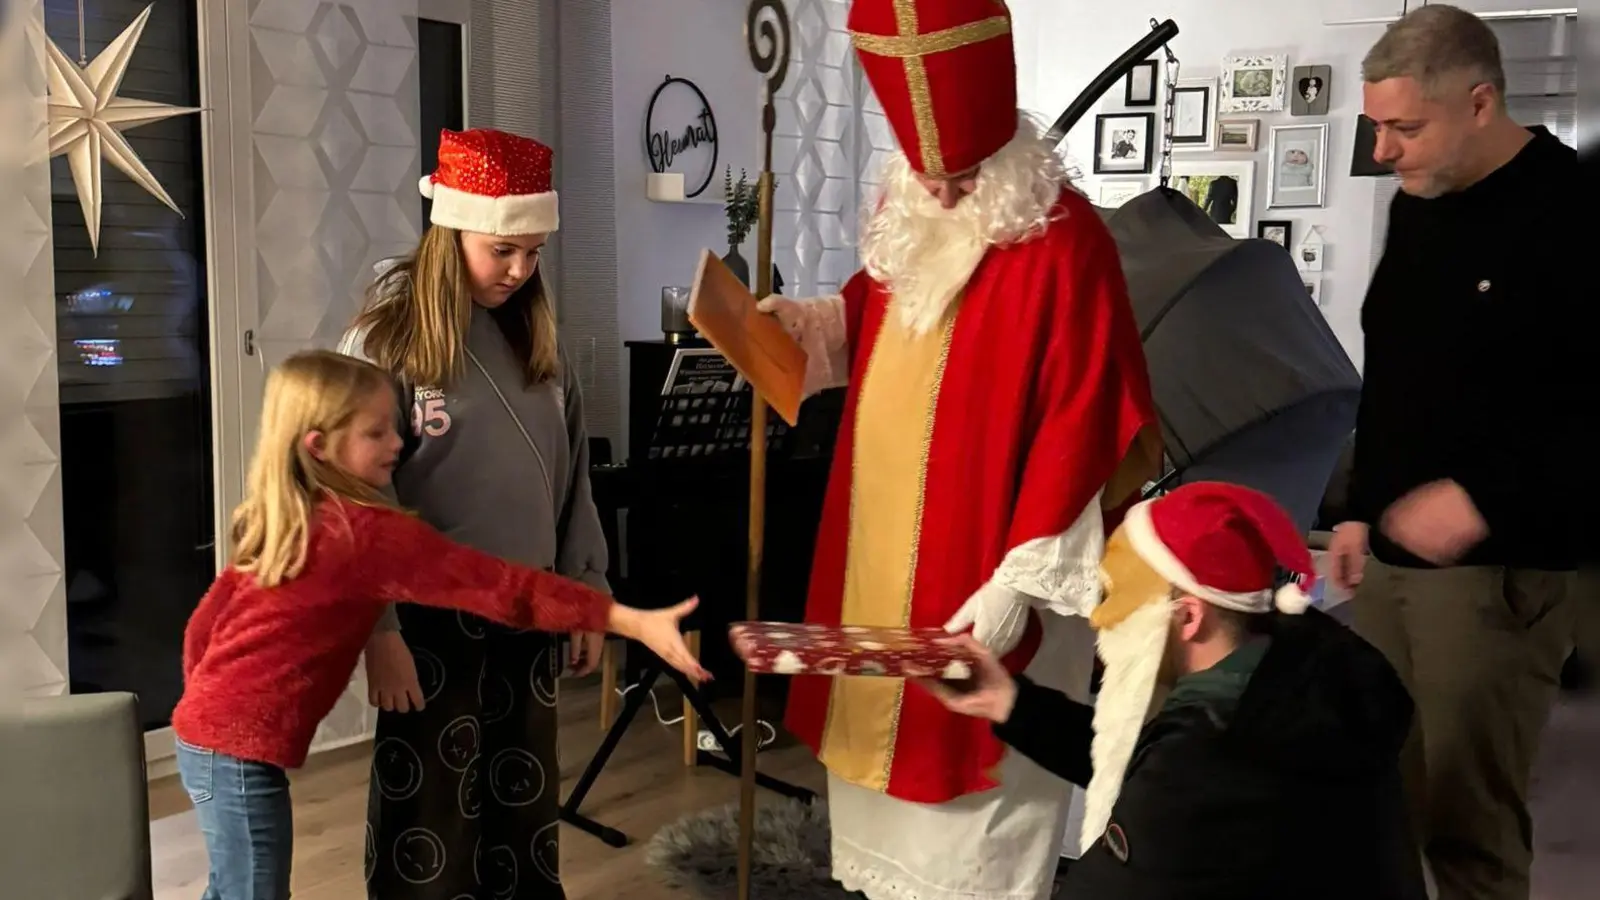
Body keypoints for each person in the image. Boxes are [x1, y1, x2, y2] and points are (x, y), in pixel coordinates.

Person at [758, 2, 1162, 896]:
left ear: (1007, 146)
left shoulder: (1067, 246)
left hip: (987, 574)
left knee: (973, 837)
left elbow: (1087, 425)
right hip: (876, 568)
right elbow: (878, 326)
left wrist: (1018, 584)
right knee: (875, 814)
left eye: (963, 175)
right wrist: (814, 326)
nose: (940, 193)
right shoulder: (917, 225)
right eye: (925, 172)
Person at [170, 350, 706, 900]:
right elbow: (502, 588)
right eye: (375, 433)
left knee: (233, 886)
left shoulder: (286, 516)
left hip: (207, 740)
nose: (398, 444)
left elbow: (204, 627)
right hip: (234, 753)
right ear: (319, 446)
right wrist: (628, 620)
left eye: (394, 428)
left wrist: (204, 703)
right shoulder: (365, 535)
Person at [1327, 7, 1581, 899]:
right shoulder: (1420, 205)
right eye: (1378, 127)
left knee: (1465, 829)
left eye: (1405, 128)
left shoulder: (1571, 215)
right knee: (1384, 803)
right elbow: (1395, 375)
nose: (1385, 151)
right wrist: (1358, 504)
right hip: (1389, 566)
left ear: (1480, 102)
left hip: (1493, 574)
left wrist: (1483, 500)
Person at [337, 126, 614, 898]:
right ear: (451, 232)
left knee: (521, 811)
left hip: (526, 609)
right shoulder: (385, 342)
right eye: (503, 252)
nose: (520, 271)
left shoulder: (542, 347)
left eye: (534, 253)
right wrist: (380, 634)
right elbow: (356, 501)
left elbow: (574, 480)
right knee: (430, 813)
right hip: (429, 619)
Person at [920, 482, 1427, 900]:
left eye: (1120, 600)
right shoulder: (1293, 665)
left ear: (1188, 616)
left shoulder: (1213, 756)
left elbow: (1156, 808)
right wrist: (1009, 701)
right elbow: (1142, 758)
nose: (1101, 618)